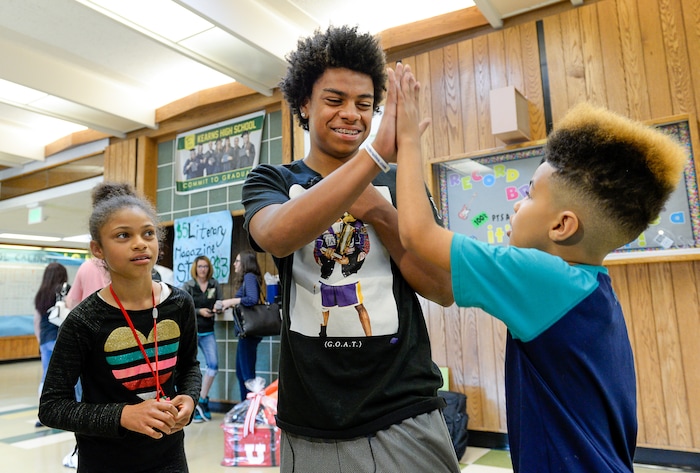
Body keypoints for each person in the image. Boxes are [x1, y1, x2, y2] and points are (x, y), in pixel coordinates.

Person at [394, 71, 688, 473]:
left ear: (561, 226)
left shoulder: (543, 278)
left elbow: (417, 234)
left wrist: (407, 139)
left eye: (529, 194)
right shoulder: (590, 287)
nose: (516, 205)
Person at [242, 25, 460, 472]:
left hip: (407, 408)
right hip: (314, 418)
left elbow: (442, 287)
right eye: (335, 100)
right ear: (304, 103)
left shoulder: (399, 183)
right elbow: (277, 235)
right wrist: (374, 158)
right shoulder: (273, 181)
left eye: (365, 104)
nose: (351, 114)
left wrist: (381, 212)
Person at [38, 182, 201, 473]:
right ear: (97, 249)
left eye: (148, 233)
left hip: (169, 458)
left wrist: (189, 397)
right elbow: (52, 407)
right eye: (123, 235)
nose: (140, 243)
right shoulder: (84, 321)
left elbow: (189, 366)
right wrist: (123, 415)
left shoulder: (179, 304)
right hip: (105, 461)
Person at [217, 250, 264, 400]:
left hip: (249, 334)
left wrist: (229, 301)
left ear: (245, 263)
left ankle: (250, 411)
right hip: (247, 333)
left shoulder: (249, 277)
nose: (234, 264)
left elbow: (252, 299)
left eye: (237, 261)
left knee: (247, 376)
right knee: (241, 372)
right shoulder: (249, 278)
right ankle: (247, 409)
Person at [181, 255, 221, 422]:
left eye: (205, 266)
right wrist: (199, 312)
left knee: (213, 365)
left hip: (208, 331)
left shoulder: (214, 284)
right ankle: (190, 403)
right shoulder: (188, 286)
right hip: (192, 332)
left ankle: (202, 399)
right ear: (195, 268)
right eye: (200, 266)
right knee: (187, 367)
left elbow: (219, 301)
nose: (203, 269)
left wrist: (218, 307)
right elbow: (185, 307)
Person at [33, 262, 70, 410]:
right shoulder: (65, 290)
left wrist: (40, 340)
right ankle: (64, 409)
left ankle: (43, 410)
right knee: (67, 376)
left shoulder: (40, 294)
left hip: (45, 339)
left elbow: (36, 320)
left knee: (46, 376)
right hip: (60, 339)